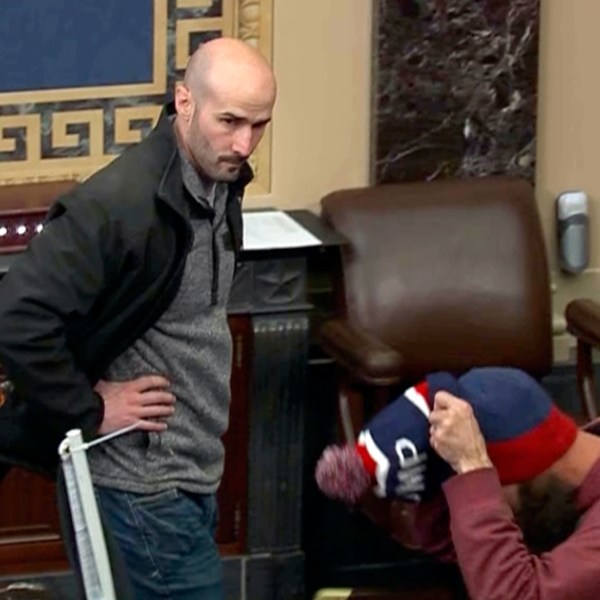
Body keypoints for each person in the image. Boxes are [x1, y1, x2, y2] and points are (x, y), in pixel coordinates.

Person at [0, 37, 277, 599]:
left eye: (259, 125)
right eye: (229, 121)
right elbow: (15, 317)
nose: (244, 143)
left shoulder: (220, 182)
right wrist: (88, 407)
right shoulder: (118, 203)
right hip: (137, 485)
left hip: (191, 472)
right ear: (184, 101)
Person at [315, 367, 600, 600]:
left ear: (525, 473)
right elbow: (467, 559)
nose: (505, 518)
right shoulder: (562, 485)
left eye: (498, 501)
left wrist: (474, 473)